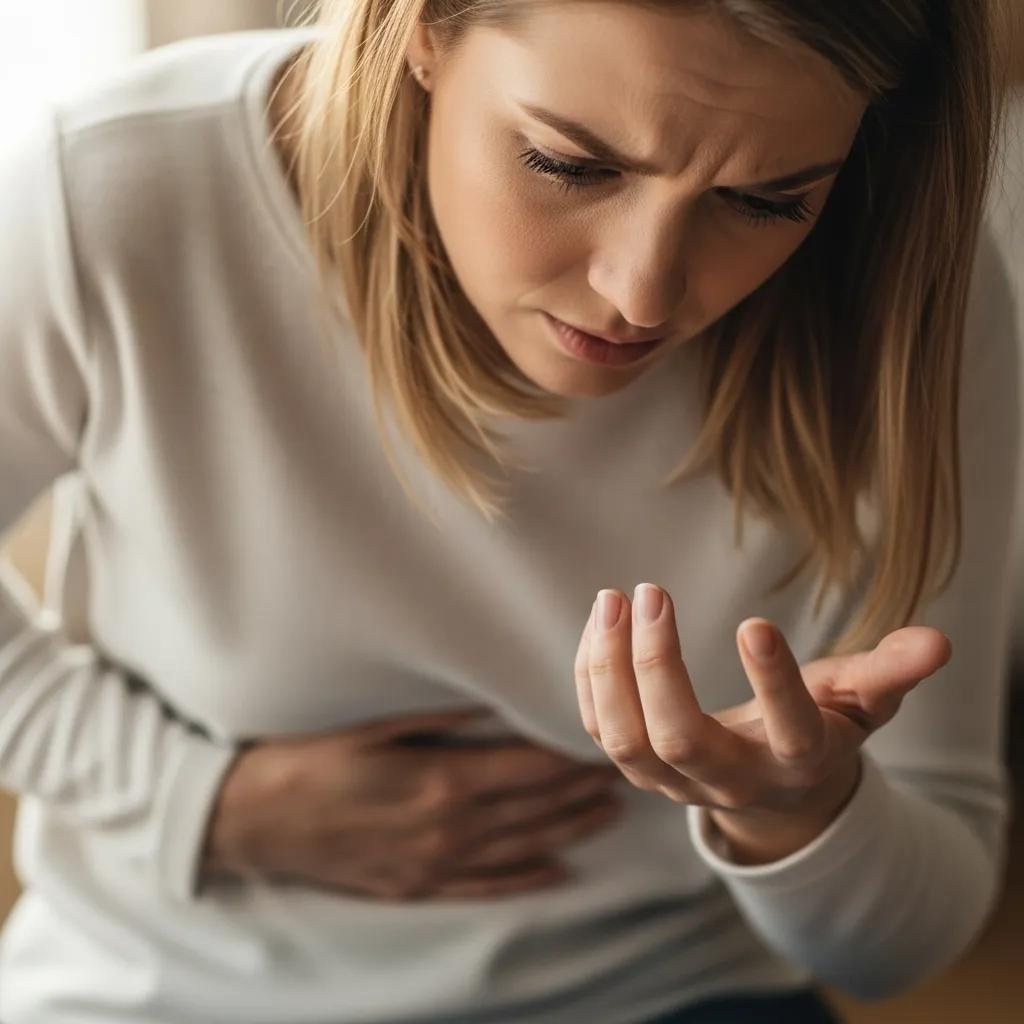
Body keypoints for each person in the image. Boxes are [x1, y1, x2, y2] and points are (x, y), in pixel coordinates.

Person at [0, 1, 1017, 1021]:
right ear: (423, 30)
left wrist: (793, 809)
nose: (643, 292)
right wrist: (187, 795)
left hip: (660, 996)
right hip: (155, 990)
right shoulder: (120, 187)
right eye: (569, 166)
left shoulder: (907, 289)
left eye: (761, 201)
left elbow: (904, 947)